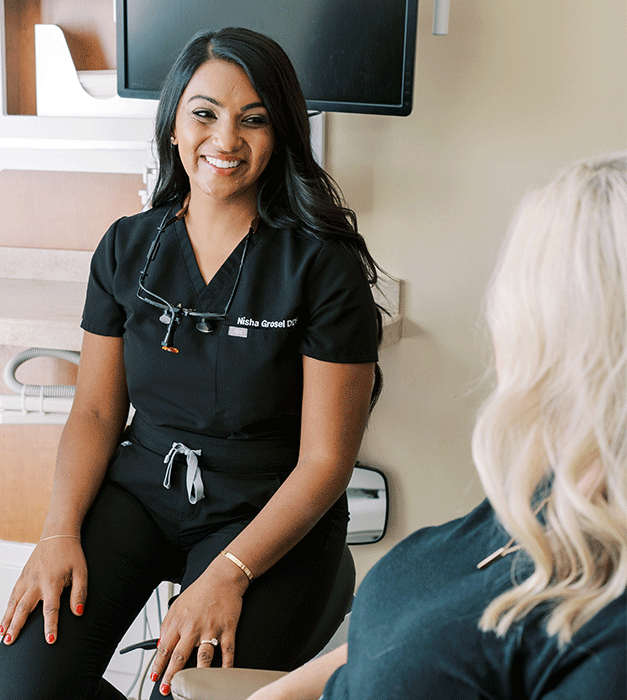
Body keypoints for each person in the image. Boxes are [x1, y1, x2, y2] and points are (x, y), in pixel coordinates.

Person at [0, 27, 383, 700]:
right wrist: (57, 533)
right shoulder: (126, 247)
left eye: (253, 120)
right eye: (205, 113)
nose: (225, 140)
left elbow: (326, 463)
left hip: (267, 508)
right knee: (26, 686)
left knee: (188, 694)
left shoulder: (322, 266)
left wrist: (230, 571)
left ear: (281, 133)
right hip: (143, 491)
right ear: (173, 123)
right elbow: (96, 410)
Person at [245, 153, 627, 700]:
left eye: (517, 286)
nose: (497, 309)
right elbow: (406, 641)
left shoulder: (608, 639)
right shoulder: (554, 494)